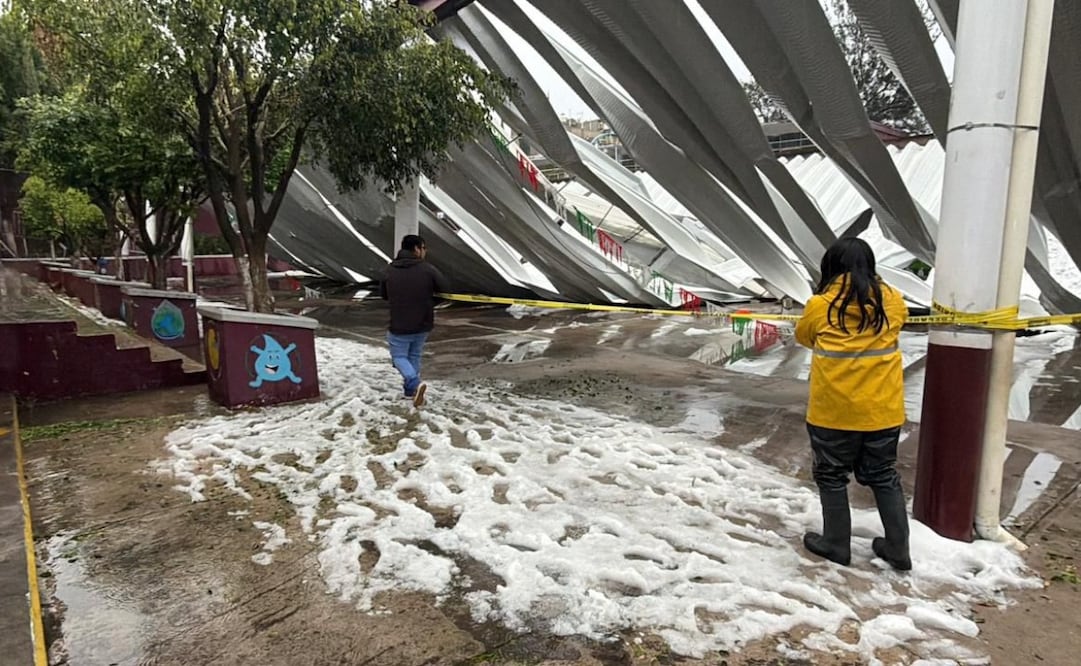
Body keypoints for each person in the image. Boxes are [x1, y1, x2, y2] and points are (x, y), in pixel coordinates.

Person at [794, 238, 911, 571]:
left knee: (831, 476)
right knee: (884, 476)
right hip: (882, 412)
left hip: (834, 412)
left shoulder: (822, 304)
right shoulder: (892, 300)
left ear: (831, 267)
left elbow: (804, 336)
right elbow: (900, 320)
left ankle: (835, 543)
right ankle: (898, 549)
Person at [380, 234, 449, 407]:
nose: (425, 252)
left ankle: (414, 383)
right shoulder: (428, 269)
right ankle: (411, 392)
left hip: (399, 323)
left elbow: (383, 295)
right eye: (424, 248)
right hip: (423, 323)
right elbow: (445, 289)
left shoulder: (389, 270)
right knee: (414, 355)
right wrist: (429, 303)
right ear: (417, 249)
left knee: (399, 357)